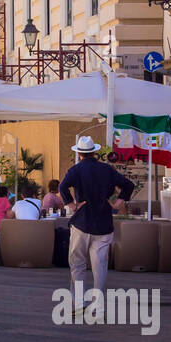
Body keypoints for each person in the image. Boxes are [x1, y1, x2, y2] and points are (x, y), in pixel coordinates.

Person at [59, 135, 135, 315]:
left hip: (82, 221)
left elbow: (62, 187)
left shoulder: (75, 170)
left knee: (77, 264)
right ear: (94, 152)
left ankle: (79, 303)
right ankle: (98, 305)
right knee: (99, 266)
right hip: (103, 222)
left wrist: (72, 204)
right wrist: (118, 203)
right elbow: (128, 185)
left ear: (79, 154)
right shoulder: (107, 170)